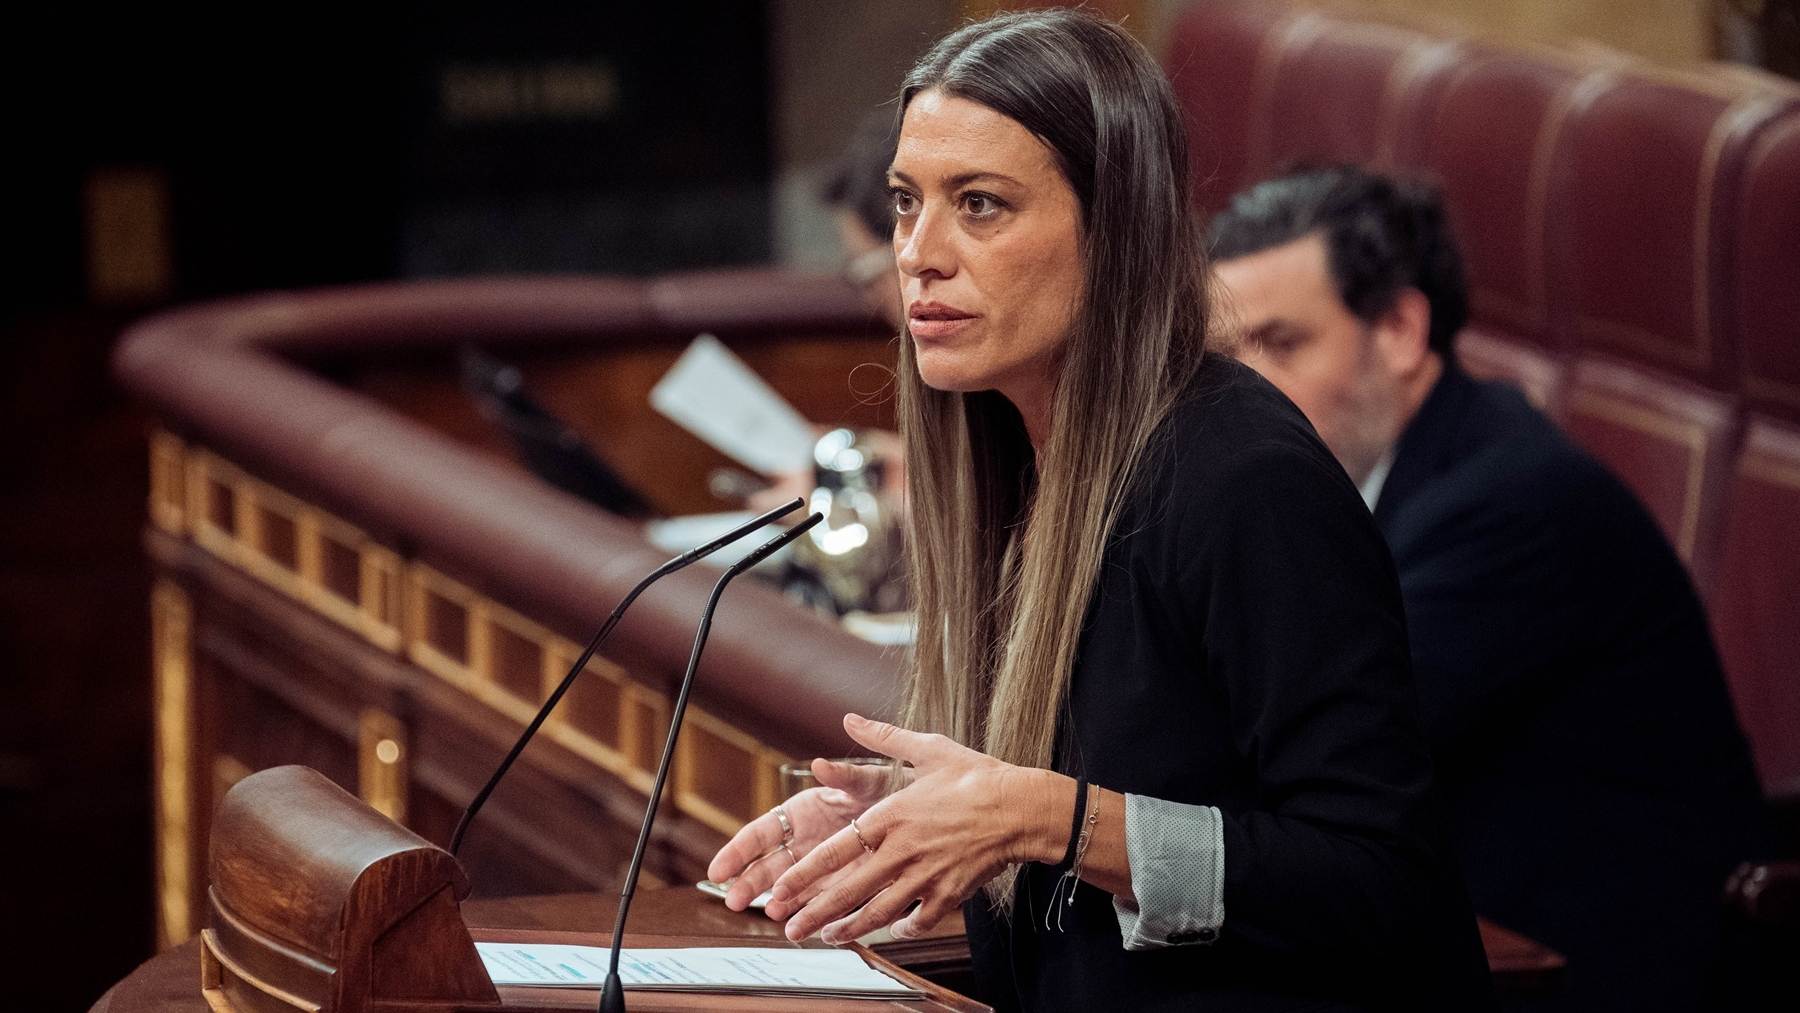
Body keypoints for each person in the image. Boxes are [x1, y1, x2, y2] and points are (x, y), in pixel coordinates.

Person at [709, 12, 1494, 1011]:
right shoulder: (1010, 454)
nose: (918, 253)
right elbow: (1150, 780)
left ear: (1116, 231)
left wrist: (1046, 819)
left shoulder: (1244, 480)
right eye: (908, 203)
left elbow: (1379, 882)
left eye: (981, 205)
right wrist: (915, 817)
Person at [1208, 165, 1767, 1013]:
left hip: (1580, 971)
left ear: (1398, 327)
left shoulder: (1511, 504)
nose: (1246, 387)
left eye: (1282, 344)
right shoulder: (1363, 478)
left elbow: (1308, 756)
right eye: (1229, 355)